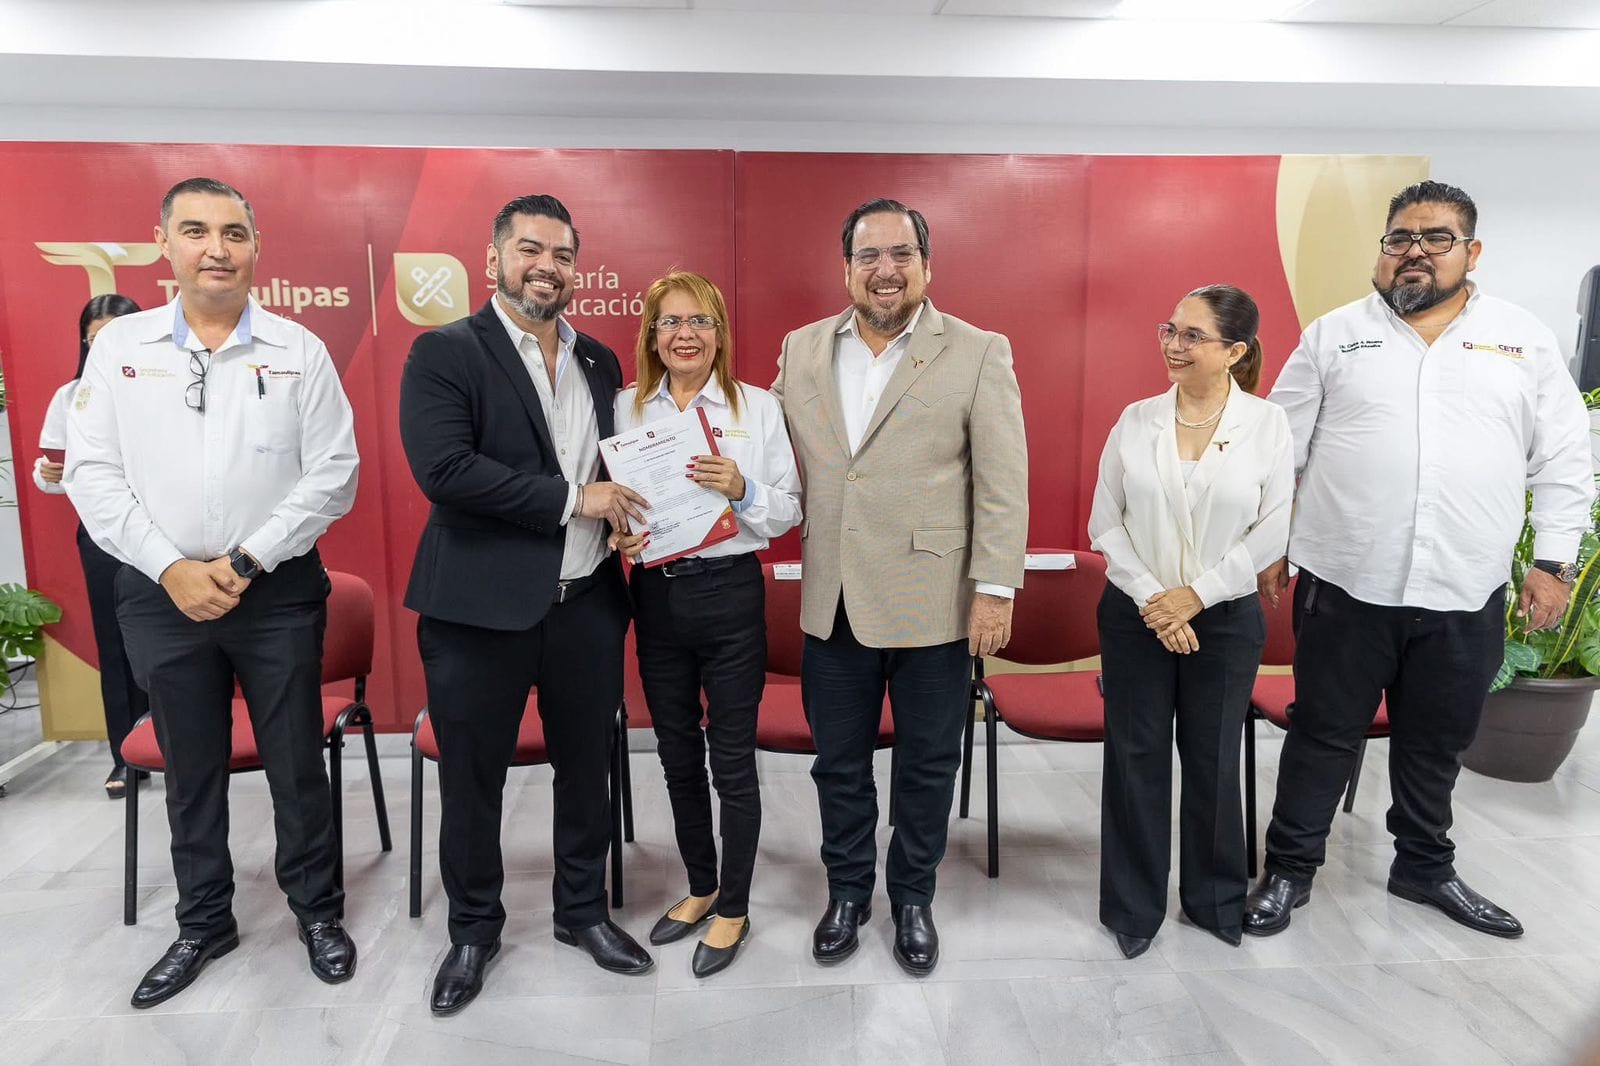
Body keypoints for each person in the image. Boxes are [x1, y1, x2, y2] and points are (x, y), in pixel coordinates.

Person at [1248, 180, 1595, 939]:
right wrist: (1268, 545)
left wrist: (1556, 564)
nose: (1415, 252)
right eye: (1400, 238)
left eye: (1436, 239)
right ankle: (1290, 868)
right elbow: (1277, 454)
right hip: (1347, 583)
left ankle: (1424, 868)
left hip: (1465, 588)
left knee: (1436, 741)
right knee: (1323, 733)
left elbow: (1566, 459)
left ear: (1472, 252)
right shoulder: (1335, 335)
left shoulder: (1522, 339)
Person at [65, 177, 360, 1008]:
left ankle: (317, 913)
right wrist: (171, 567)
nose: (216, 249)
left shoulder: (298, 348)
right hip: (161, 592)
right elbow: (92, 474)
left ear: (257, 247)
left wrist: (245, 560)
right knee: (190, 769)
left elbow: (334, 474)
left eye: (233, 233)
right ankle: (203, 924)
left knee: (297, 763)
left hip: (276, 589)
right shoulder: (121, 349)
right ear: (165, 243)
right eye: (196, 231)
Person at [399, 194, 652, 1016]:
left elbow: (616, 470)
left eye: (563, 255)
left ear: (577, 269)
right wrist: (579, 500)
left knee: (587, 771)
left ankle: (583, 913)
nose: (547, 266)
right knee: (472, 779)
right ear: (494, 260)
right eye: (530, 250)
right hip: (477, 611)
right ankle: (474, 931)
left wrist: (625, 520)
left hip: (586, 605)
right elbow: (446, 471)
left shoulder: (599, 361)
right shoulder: (444, 352)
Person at [771, 198, 1028, 976]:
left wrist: (995, 589)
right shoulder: (802, 349)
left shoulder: (977, 351)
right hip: (835, 600)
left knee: (928, 763)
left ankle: (913, 896)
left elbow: (1003, 482)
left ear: (926, 265)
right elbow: (764, 452)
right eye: (868, 256)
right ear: (846, 267)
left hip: (934, 600)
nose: (885, 270)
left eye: (901, 255)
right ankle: (848, 893)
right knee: (838, 764)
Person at [1088, 284, 1293, 958]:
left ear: (1235, 351)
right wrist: (1159, 600)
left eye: (1192, 336)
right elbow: (1104, 523)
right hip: (1136, 615)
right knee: (1135, 758)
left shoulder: (1268, 424)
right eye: (1169, 330)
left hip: (1224, 619)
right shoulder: (1135, 419)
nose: (1174, 345)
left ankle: (1213, 900)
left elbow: (1272, 530)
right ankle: (1132, 908)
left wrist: (1196, 597)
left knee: (1213, 760)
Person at [610, 271, 802, 978]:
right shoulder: (626, 406)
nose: (684, 334)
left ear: (719, 332)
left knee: (731, 757)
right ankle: (701, 885)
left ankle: (735, 907)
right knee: (675, 752)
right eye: (670, 322)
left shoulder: (757, 406)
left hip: (729, 594)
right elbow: (614, 500)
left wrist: (742, 488)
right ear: (651, 335)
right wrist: (619, 534)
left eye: (699, 321)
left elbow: (789, 511)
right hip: (655, 594)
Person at [34, 293, 148, 798]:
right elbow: (58, 473)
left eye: (116, 335)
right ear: (84, 340)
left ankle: (180, 743)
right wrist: (47, 474)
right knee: (115, 643)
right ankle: (126, 755)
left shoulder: (167, 382)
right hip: (104, 536)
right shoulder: (71, 397)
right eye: (95, 337)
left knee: (178, 641)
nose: (105, 346)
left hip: (168, 530)